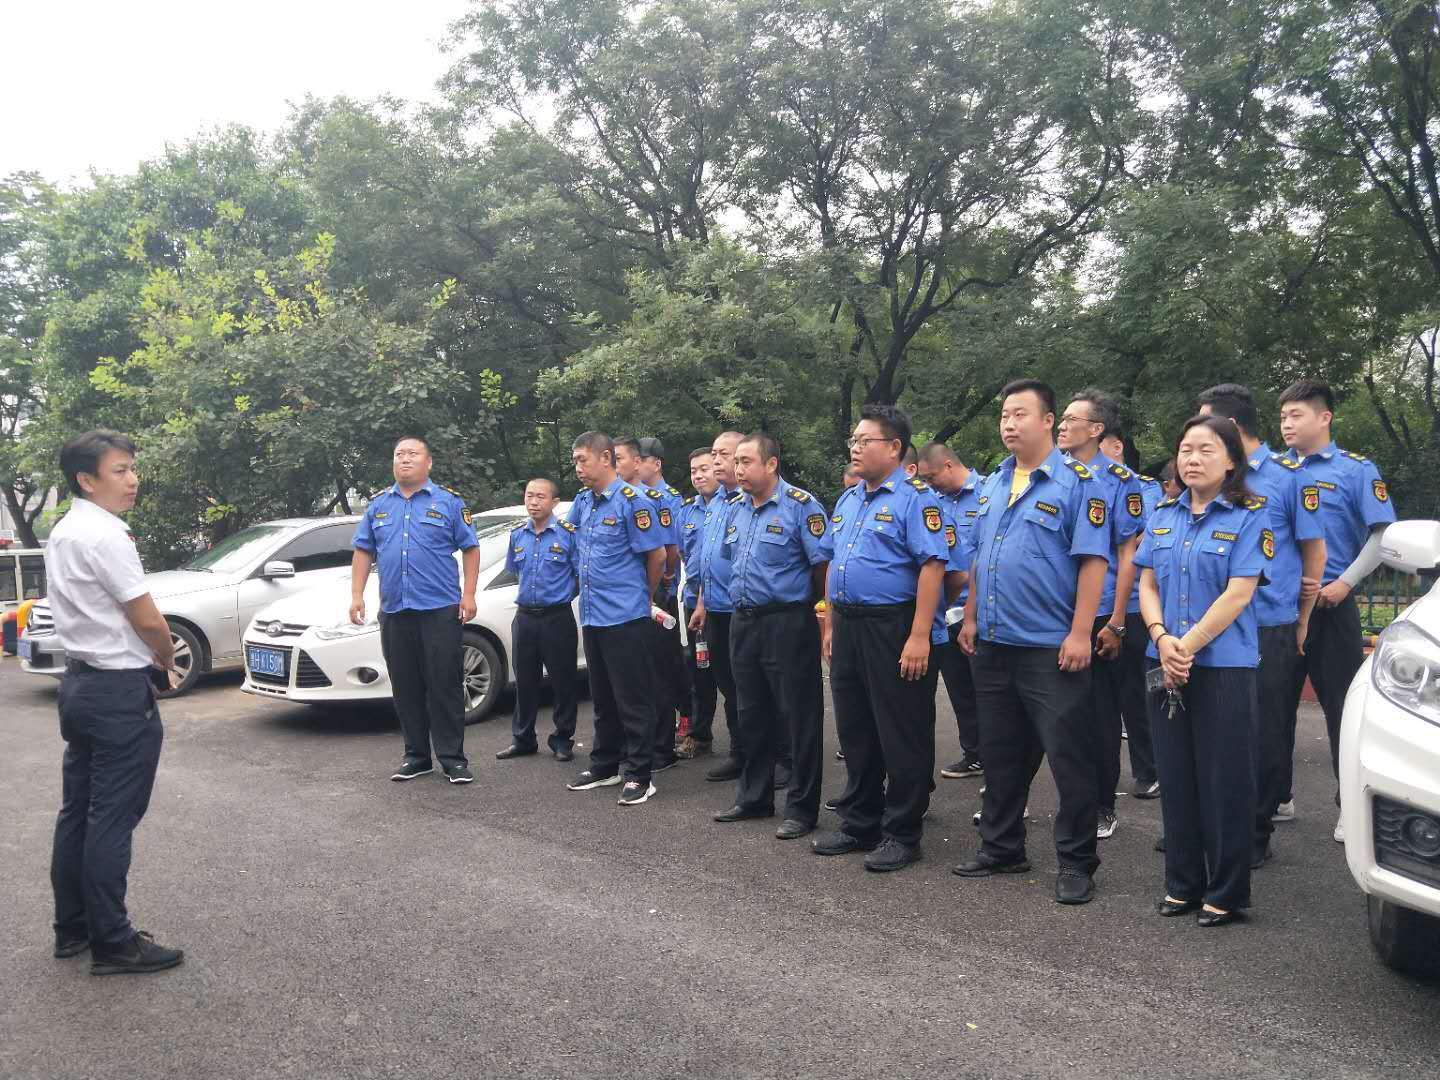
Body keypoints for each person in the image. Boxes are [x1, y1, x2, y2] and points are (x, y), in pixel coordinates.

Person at [954, 379, 1112, 906]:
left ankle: (1076, 861)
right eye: (1003, 413)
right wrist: (971, 617)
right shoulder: (993, 483)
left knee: (1070, 759)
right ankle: (1001, 846)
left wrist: (1080, 632)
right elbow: (980, 558)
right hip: (996, 642)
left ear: (1048, 421)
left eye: (1020, 413)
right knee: (1001, 753)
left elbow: (1093, 562)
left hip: (1052, 647)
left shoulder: (1078, 483)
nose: (1008, 422)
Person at [44, 429, 185, 975]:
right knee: (111, 818)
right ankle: (114, 942)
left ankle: (73, 928)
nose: (133, 480)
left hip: (80, 685)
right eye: (120, 470)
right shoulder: (105, 535)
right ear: (87, 479)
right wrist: (167, 658)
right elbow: (146, 617)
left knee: (78, 813)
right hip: (115, 691)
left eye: (132, 469)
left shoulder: (66, 530)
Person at [1137, 415, 1271, 927]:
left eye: (1206, 450)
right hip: (1164, 660)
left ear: (1232, 461)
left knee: (1225, 781)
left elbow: (1239, 593)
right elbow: (1147, 583)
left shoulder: (1249, 516)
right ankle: (1182, 884)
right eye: (1186, 449)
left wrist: (1185, 646)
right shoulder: (1164, 514)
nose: (1192, 459)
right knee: (1176, 776)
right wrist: (1161, 639)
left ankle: (1227, 892)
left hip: (1222, 668)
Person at [813, 404, 950, 872]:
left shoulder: (916, 498)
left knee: (901, 729)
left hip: (895, 624)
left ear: (893, 448)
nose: (853, 447)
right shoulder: (849, 499)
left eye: (863, 440)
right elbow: (832, 562)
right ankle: (860, 822)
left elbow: (932, 566)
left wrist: (919, 636)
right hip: (849, 623)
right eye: (852, 439)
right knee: (856, 727)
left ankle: (903, 831)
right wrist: (829, 624)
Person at [1197, 384, 1326, 864]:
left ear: (1230, 427)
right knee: (1211, 727)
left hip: (1268, 623)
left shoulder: (1288, 479)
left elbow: (1314, 551)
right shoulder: (1209, 476)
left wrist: (1303, 620)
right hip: (1212, 624)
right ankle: (1208, 824)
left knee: (1265, 731)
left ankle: (1255, 831)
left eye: (1206, 422)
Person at [1278, 379, 1396, 841]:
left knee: (1341, 709)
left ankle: (1350, 803)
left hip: (1332, 605)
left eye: (1297, 415)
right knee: (1273, 706)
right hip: (1281, 610)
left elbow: (1382, 535)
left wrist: (1347, 583)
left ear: (1324, 418)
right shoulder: (1272, 471)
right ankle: (1275, 796)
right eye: (1283, 416)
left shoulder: (1355, 471)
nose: (1287, 424)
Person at [712, 434, 830, 839]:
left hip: (787, 622)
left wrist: (811, 611)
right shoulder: (734, 509)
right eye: (737, 462)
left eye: (746, 462)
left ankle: (801, 807)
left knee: (798, 716)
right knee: (751, 713)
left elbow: (822, 569)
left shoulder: (801, 507)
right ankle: (755, 797)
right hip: (743, 622)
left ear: (772, 464)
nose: (738, 470)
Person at [351, 435, 480, 784]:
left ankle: (453, 758)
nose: (404, 459)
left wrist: (468, 595)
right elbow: (363, 550)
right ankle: (416, 756)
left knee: (444, 684)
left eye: (413, 454)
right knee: (405, 686)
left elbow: (470, 548)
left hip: (439, 609)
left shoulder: (449, 502)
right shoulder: (379, 505)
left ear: (429, 462)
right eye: (399, 454)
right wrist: (357, 595)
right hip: (395, 610)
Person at [1057, 388, 1146, 840]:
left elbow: (1127, 554)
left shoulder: (1120, 481)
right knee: (1059, 712)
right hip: (1055, 610)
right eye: (1061, 419)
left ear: (1096, 430)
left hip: (1102, 612)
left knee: (1100, 714)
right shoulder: (1048, 474)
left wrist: (1116, 621)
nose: (1061, 426)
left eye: (1072, 420)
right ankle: (1068, 800)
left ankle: (1101, 805)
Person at [564, 431, 667, 805]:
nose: (577, 467)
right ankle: (605, 765)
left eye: (582, 459)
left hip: (625, 615)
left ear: (605, 457)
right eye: (574, 461)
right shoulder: (583, 503)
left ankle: (640, 773)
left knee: (633, 697)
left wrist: (643, 597)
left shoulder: (632, 502)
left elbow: (657, 558)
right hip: (593, 615)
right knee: (603, 696)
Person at [916, 442, 986, 780]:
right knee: (959, 689)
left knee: (987, 690)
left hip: (981, 610)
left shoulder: (988, 492)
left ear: (948, 465)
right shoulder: (934, 502)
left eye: (932, 478)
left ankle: (999, 757)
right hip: (947, 609)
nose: (930, 485)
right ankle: (974, 752)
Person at [497, 477, 581, 762]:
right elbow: (516, 572)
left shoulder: (568, 534)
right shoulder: (518, 535)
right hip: (525, 618)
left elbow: (579, 575)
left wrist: (562, 595)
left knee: (563, 681)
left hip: (557, 617)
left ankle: (562, 738)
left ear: (554, 503)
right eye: (529, 496)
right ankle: (523, 738)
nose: (533, 502)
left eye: (540, 497)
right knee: (525, 680)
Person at [1102, 431, 1164, 800]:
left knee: (1139, 690)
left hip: (1137, 604)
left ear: (1116, 446)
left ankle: (1149, 768)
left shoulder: (1144, 489)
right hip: (1099, 603)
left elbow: (1148, 539)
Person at [690, 431, 750, 783]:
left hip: (744, 609)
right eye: (713, 453)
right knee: (728, 686)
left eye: (722, 454)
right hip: (715, 609)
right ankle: (740, 753)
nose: (715, 461)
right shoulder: (716, 504)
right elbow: (710, 561)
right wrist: (701, 603)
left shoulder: (748, 502)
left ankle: (775, 755)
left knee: (753, 688)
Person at [636, 436, 689, 771]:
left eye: (640, 459)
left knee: (660, 671)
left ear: (655, 463)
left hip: (660, 594)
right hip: (640, 593)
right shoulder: (634, 498)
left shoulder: (667, 499)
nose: (635, 465)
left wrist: (664, 582)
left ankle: (663, 746)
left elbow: (670, 550)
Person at [677, 447, 720, 758]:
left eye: (704, 468)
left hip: (723, 604)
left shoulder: (730, 506)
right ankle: (699, 734)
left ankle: (745, 744)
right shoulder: (688, 511)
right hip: (693, 601)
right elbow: (684, 554)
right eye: (693, 471)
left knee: (732, 676)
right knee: (698, 669)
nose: (699, 475)